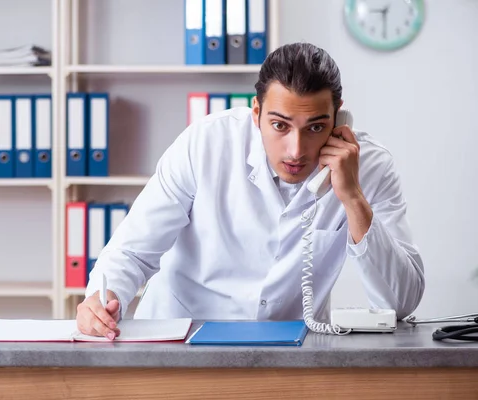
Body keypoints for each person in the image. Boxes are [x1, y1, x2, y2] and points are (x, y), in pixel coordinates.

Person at [75, 42, 425, 340]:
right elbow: (133, 251)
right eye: (279, 125)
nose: (296, 150)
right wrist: (101, 300)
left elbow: (402, 302)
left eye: (316, 127)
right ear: (256, 112)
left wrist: (352, 198)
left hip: (287, 354)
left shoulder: (371, 165)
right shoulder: (205, 143)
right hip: (180, 342)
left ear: (338, 119)